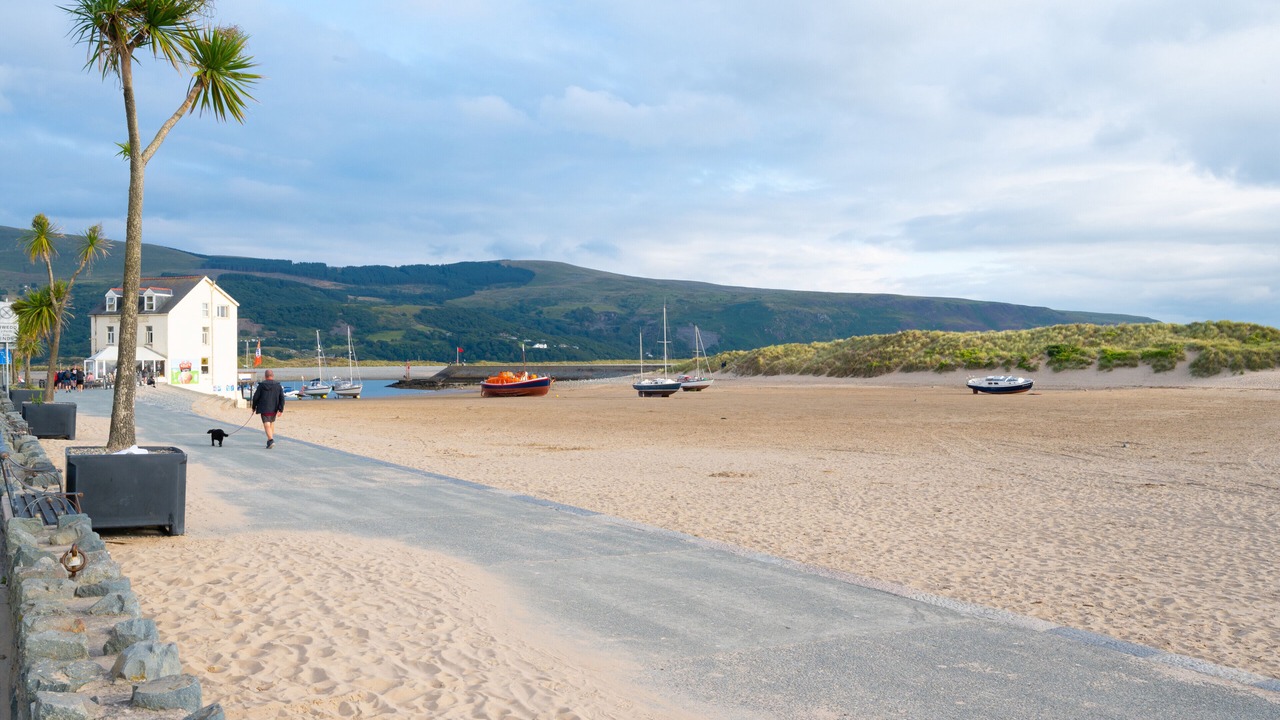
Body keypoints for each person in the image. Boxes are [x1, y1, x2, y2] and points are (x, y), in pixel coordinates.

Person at [250, 369, 286, 449]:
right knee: (271, 423)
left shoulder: (261, 385)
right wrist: (280, 409)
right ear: (272, 376)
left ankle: (270, 440)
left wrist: (253, 407)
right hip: (274, 408)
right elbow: (282, 398)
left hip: (264, 407)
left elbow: (256, 397)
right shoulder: (278, 385)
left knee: (266, 423)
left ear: (265, 376)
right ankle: (270, 440)